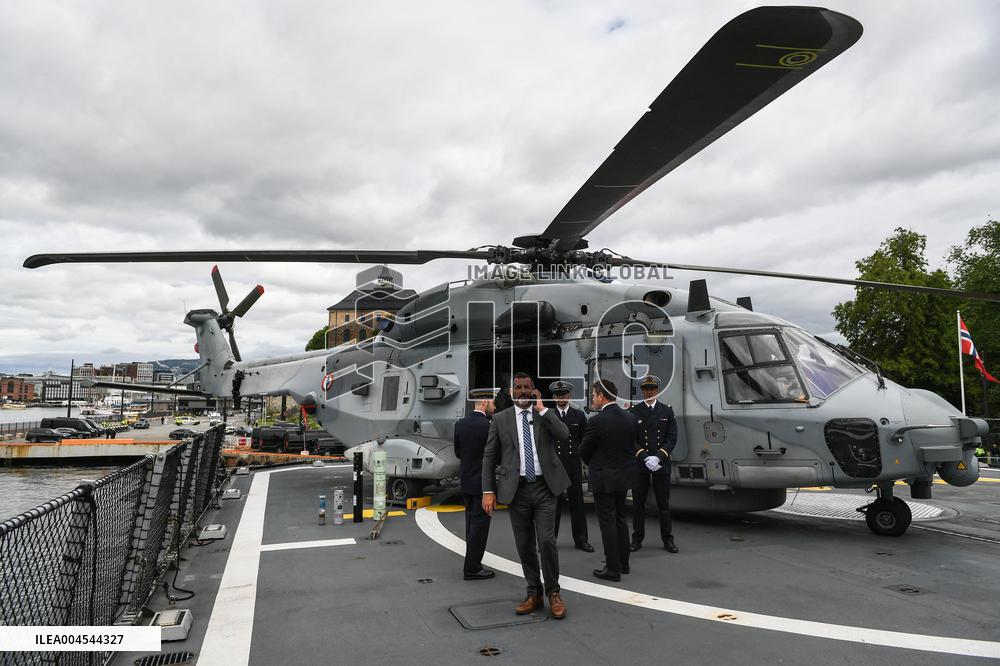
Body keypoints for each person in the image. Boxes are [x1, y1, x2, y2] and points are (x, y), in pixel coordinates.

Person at [482, 372, 571, 619]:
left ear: (533, 390)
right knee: (524, 546)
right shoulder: (500, 419)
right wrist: (488, 490)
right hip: (517, 490)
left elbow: (564, 435)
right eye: (518, 387)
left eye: (527, 387)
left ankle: (554, 592)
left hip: (545, 487)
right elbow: (489, 456)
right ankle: (534, 592)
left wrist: (543, 409)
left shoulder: (544, 415)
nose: (522, 391)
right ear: (511, 392)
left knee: (546, 540)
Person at [580, 379, 638, 582]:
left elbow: (584, 451)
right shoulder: (630, 418)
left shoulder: (596, 421)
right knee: (621, 519)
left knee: (608, 523)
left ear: (601, 396)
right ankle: (624, 563)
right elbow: (631, 447)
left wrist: (595, 463)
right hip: (623, 477)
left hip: (603, 478)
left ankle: (612, 568)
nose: (593, 399)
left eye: (594, 395)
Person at [628, 375, 679, 554]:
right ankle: (637, 538)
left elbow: (672, 437)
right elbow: (631, 438)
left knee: (663, 504)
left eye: (652, 388)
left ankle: (667, 539)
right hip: (641, 464)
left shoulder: (667, 411)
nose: (649, 391)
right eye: (646, 389)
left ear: (657, 390)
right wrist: (644, 457)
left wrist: (658, 457)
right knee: (638, 504)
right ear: (642, 391)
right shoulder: (634, 411)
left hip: (660, 463)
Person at [454, 388, 497, 581]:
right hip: (483, 484)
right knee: (480, 527)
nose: (494, 407)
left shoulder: (460, 424)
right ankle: (472, 568)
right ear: (485, 403)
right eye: (493, 402)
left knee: (471, 525)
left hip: (466, 481)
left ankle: (472, 563)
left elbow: (458, 452)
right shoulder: (489, 426)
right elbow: (496, 455)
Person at [549, 381, 593, 553]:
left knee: (577, 504)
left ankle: (581, 540)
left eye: (564, 394)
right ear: (554, 397)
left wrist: (580, 457)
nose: (561, 397)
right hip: (554, 466)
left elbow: (584, 439)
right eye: (558, 395)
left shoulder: (579, 416)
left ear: (569, 396)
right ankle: (550, 540)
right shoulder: (548, 415)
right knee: (554, 505)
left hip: (573, 465)